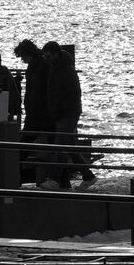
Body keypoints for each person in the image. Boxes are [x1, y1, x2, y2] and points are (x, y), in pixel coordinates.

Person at [39, 41, 95, 190]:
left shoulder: (65, 70)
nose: (46, 58)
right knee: (69, 145)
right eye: (45, 56)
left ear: (56, 54)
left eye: (48, 55)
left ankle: (54, 179)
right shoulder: (56, 67)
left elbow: (70, 94)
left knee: (60, 145)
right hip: (64, 112)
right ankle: (88, 175)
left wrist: (59, 110)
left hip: (67, 113)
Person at [13, 38, 51, 149]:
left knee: (27, 140)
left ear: (27, 53)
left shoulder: (39, 65)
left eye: (22, 56)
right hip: (38, 109)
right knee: (56, 140)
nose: (22, 60)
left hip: (38, 109)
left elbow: (39, 88)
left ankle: (18, 163)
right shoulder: (38, 63)